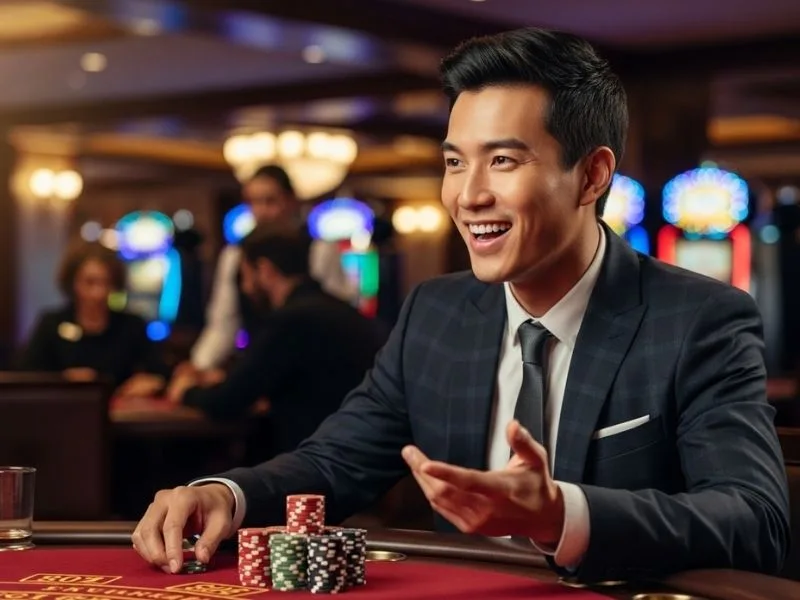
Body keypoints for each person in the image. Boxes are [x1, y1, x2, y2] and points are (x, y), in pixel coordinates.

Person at [133, 28, 789, 582]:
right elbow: (335, 462)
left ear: (591, 176)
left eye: (502, 160)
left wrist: (559, 514)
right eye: (454, 162)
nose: (468, 196)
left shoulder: (697, 319)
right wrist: (225, 492)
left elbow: (755, 520)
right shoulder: (436, 312)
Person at [167, 224, 389, 455]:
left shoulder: (291, 320)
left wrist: (185, 391)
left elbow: (226, 403)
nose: (244, 288)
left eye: (244, 275)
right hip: (356, 454)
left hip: (319, 463)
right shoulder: (340, 310)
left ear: (265, 270)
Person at [187, 165, 356, 374]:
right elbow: (223, 326)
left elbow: (338, 318)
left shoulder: (318, 250)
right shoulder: (235, 256)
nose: (262, 212)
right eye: (254, 202)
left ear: (291, 202)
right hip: (261, 367)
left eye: (270, 201)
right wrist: (197, 366)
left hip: (312, 369)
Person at [18, 241, 171, 396]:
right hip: (62, 412)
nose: (98, 293)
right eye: (90, 283)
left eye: (106, 283)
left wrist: (152, 382)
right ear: (72, 283)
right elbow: (25, 376)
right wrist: (62, 380)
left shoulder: (132, 325)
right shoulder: (51, 324)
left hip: (119, 414)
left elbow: (161, 375)